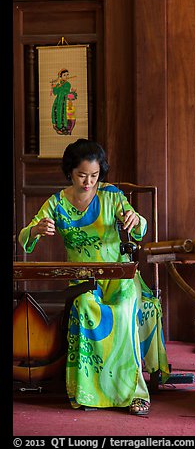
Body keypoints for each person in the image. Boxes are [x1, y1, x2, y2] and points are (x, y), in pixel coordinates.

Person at [19, 138, 169, 415]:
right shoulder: (57, 203)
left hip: (119, 275)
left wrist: (136, 220)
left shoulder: (111, 196)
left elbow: (139, 226)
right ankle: (88, 392)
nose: (88, 182)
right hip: (82, 278)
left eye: (94, 175)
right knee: (86, 307)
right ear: (69, 172)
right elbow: (24, 236)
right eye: (81, 175)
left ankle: (134, 394)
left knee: (124, 309)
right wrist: (38, 229)